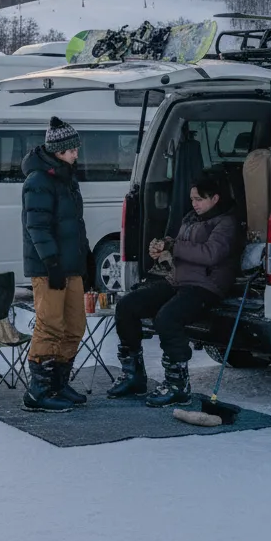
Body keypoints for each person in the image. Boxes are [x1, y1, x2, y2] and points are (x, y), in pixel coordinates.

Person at [108, 171, 241, 407]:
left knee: (168, 318)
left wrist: (175, 247)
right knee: (127, 305)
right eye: (192, 199)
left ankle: (177, 383)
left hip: (206, 286)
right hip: (177, 280)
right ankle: (133, 373)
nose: (194, 204)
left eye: (199, 199)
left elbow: (211, 254)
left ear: (215, 199)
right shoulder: (191, 218)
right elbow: (181, 248)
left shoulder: (226, 222)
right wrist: (164, 248)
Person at [21, 117, 91, 412]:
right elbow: (37, 226)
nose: (77, 153)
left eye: (76, 148)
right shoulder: (38, 181)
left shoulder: (66, 177)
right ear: (58, 150)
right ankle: (39, 390)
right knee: (50, 325)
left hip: (71, 265)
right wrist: (51, 263)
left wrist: (86, 259)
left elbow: (75, 224)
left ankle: (59, 383)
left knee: (75, 325)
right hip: (49, 268)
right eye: (72, 149)